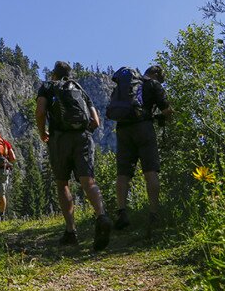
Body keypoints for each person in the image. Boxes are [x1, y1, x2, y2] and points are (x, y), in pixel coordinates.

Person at [36, 61, 113, 250]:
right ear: (70, 75)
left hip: (59, 139)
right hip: (83, 137)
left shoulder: (47, 86)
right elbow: (96, 121)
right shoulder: (80, 89)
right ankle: (102, 216)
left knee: (62, 183)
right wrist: (83, 133)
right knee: (88, 181)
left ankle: (71, 231)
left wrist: (42, 132)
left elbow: (40, 111)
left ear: (54, 74)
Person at [112, 65, 175, 232]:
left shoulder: (126, 86)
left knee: (123, 173)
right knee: (150, 171)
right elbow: (167, 110)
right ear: (156, 75)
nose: (160, 82)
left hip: (123, 129)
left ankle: (121, 212)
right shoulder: (153, 85)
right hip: (143, 128)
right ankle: (154, 214)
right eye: (161, 79)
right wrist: (163, 117)